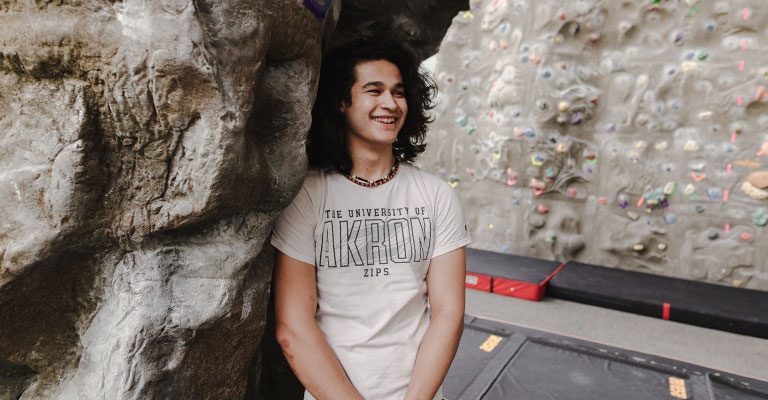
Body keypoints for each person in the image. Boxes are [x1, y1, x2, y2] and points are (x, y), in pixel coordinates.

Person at [270, 39, 471, 400]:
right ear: (342, 102)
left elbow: (449, 313)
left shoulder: (436, 195)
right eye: (373, 91)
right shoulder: (308, 196)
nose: (391, 104)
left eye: (398, 92)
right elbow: (292, 327)